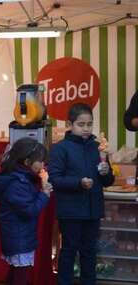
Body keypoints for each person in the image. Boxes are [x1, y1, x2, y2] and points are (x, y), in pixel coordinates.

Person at [49, 103, 114, 285]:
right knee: (69, 250)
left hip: (93, 209)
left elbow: (108, 181)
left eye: (90, 124)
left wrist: (106, 172)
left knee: (89, 251)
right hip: (70, 210)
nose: (86, 129)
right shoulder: (60, 149)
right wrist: (79, 183)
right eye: (81, 124)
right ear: (70, 125)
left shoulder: (98, 148)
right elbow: (55, 178)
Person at [0, 137, 52, 285]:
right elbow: (29, 210)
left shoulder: (20, 178)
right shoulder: (17, 183)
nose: (44, 165)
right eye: (41, 161)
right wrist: (44, 194)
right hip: (19, 237)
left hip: (19, 235)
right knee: (20, 275)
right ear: (26, 162)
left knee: (15, 272)